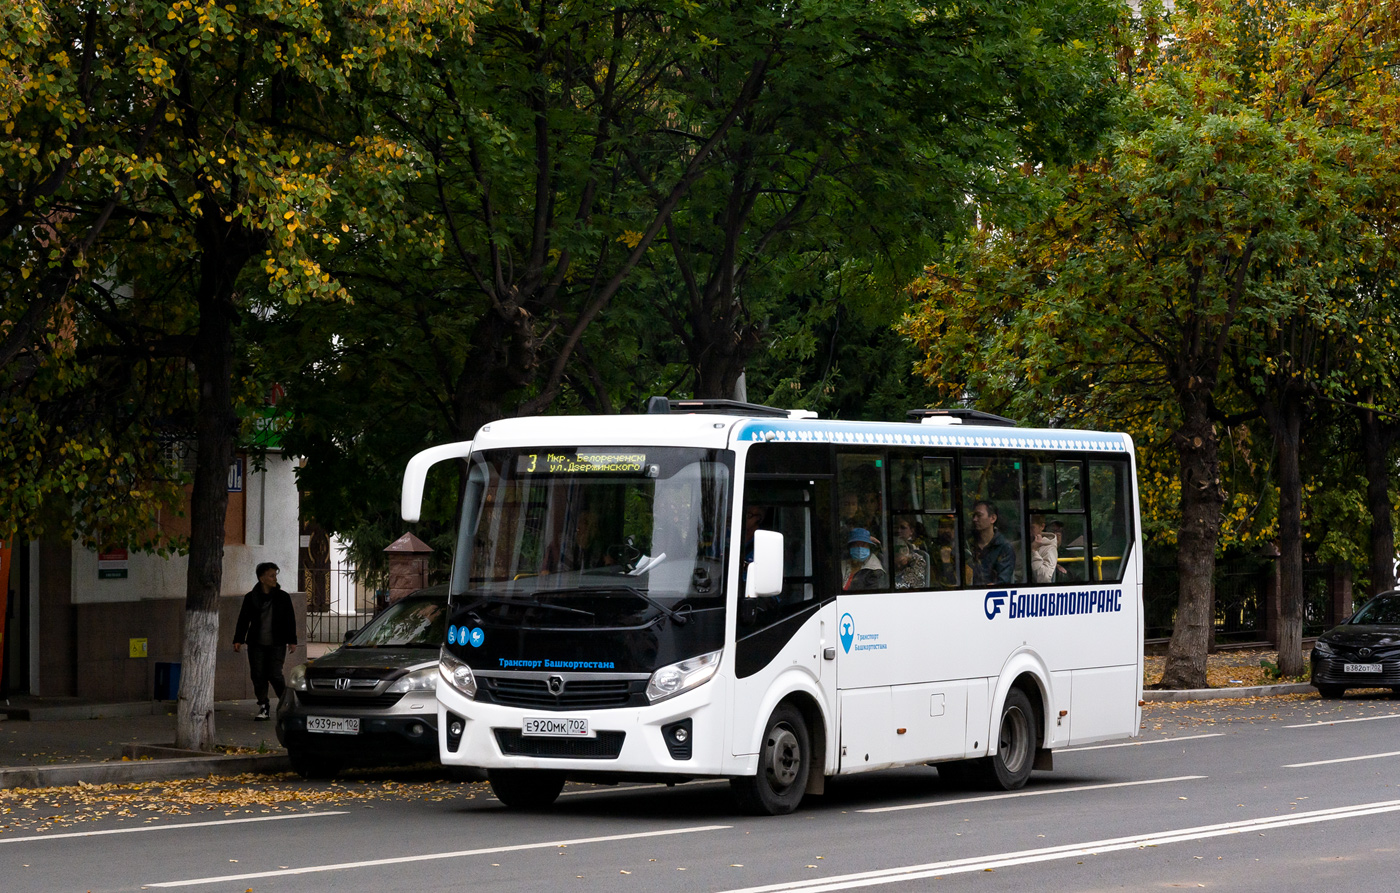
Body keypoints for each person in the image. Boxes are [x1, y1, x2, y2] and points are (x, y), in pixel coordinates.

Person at [233, 562, 298, 721]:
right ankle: (263, 705)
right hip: (256, 643)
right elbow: (243, 619)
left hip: (277, 643)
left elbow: (290, 620)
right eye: (271, 575)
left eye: (275, 575)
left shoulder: (282, 597)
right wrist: (238, 639)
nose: (274, 578)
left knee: (275, 674)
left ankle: (286, 703)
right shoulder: (251, 598)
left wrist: (292, 640)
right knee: (258, 674)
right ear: (262, 578)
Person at [966, 499, 1015, 585]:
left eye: (979, 515)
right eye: (974, 516)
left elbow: (1003, 581)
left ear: (993, 518)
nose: (975, 519)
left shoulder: (1004, 547)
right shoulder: (968, 544)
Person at [1030, 515, 1059, 584]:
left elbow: (1044, 578)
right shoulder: (1018, 545)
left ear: (1042, 527)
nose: (1029, 531)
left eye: (1032, 528)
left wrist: (1034, 551)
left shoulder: (1049, 548)